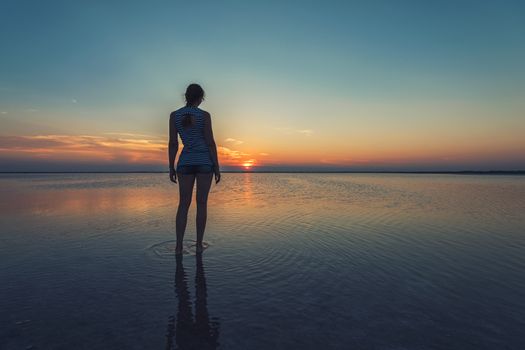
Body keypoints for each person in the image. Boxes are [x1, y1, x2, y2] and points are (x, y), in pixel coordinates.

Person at [168, 83, 220, 254]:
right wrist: (217, 167)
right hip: (205, 163)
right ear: (200, 98)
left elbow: (173, 143)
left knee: (183, 204)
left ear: (186, 97)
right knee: (202, 204)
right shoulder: (204, 116)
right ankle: (198, 245)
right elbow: (210, 143)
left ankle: (178, 246)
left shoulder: (174, 116)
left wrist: (171, 167)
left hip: (184, 163)